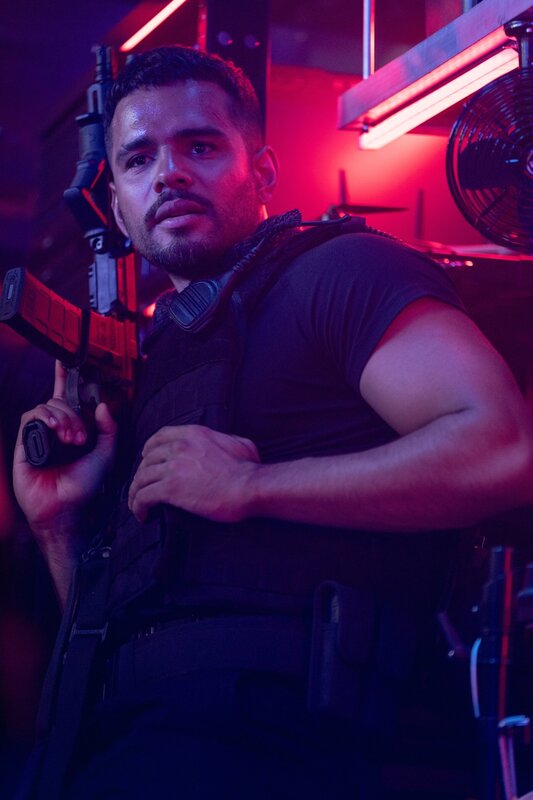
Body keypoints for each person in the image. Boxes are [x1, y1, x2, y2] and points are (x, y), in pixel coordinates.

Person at [12, 46, 533, 799]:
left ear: (261, 172)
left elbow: (503, 449)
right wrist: (61, 527)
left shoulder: (340, 271)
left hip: (295, 758)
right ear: (119, 206)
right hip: (123, 758)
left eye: (199, 146)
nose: (169, 174)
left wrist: (255, 486)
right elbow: (121, 654)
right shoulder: (157, 364)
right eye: (138, 159)